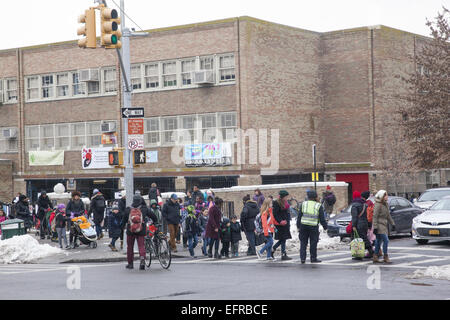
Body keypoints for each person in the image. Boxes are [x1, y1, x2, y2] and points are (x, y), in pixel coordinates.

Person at [121, 195, 155, 270]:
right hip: (141, 230)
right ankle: (142, 259)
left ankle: (130, 264)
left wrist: (122, 227)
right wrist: (155, 222)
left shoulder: (128, 209)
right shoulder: (144, 209)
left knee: (130, 247)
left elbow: (123, 220)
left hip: (130, 230)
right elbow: (153, 216)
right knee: (141, 246)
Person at [297, 189, 328, 263]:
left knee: (303, 243)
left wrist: (298, 226)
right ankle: (313, 258)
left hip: (303, 226)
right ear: (315, 197)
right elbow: (321, 218)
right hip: (313, 227)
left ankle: (302, 258)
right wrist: (325, 227)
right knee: (313, 243)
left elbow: (299, 216)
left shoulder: (303, 204)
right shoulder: (318, 205)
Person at [372, 190, 396, 264]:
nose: (387, 197)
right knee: (386, 240)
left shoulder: (385, 204)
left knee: (378, 241)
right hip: (379, 225)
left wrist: (393, 223)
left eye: (387, 195)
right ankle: (385, 256)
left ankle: (375, 256)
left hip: (384, 224)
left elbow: (388, 215)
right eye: (385, 195)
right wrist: (375, 227)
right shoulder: (378, 205)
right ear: (382, 196)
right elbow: (375, 216)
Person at [351, 190, 374, 260]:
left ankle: (361, 253)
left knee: (359, 239)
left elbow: (354, 217)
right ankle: (367, 251)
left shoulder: (355, 205)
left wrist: (354, 225)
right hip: (365, 224)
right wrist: (369, 225)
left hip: (358, 224)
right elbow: (369, 216)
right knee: (364, 238)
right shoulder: (365, 205)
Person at [272, 190, 292, 260]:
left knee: (283, 239)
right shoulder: (276, 203)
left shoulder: (285, 203)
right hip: (280, 224)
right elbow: (275, 214)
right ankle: (282, 253)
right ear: (282, 197)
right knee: (283, 239)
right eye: (286, 196)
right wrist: (280, 221)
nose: (287, 198)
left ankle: (276, 251)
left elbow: (287, 213)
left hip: (286, 223)